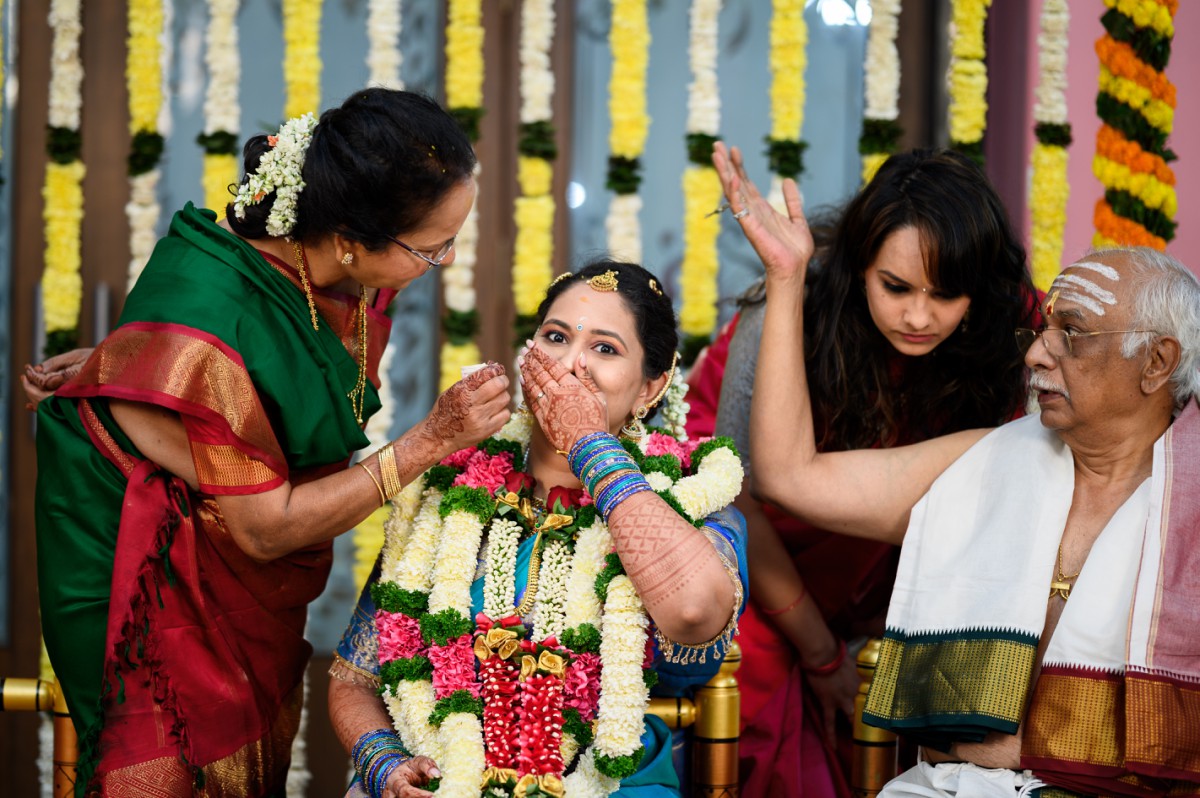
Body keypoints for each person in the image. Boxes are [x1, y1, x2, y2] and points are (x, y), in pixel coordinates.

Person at [31, 88, 512, 797]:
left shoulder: (353, 277)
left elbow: (281, 371)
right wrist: (430, 441)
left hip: (254, 604)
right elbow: (265, 529)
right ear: (351, 236)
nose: (437, 263)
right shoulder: (207, 328)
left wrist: (130, 362)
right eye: (430, 249)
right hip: (164, 599)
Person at [726, 142, 1200, 797]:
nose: (1036, 352)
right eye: (1045, 330)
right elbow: (783, 479)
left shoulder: (1189, 503)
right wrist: (786, 276)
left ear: (1156, 364)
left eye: (1072, 334)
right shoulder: (990, 460)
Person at [691, 144, 1039, 796]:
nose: (918, 316)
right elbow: (734, 499)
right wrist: (820, 653)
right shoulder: (792, 302)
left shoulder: (1014, 331)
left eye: (946, 294)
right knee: (752, 666)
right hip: (760, 567)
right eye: (896, 287)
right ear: (858, 269)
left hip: (904, 590)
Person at [328, 261, 749, 798]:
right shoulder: (450, 493)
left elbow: (692, 610)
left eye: (605, 348)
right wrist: (383, 763)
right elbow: (352, 680)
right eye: (556, 337)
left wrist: (589, 446)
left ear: (651, 387)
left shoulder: (690, 499)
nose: (572, 364)